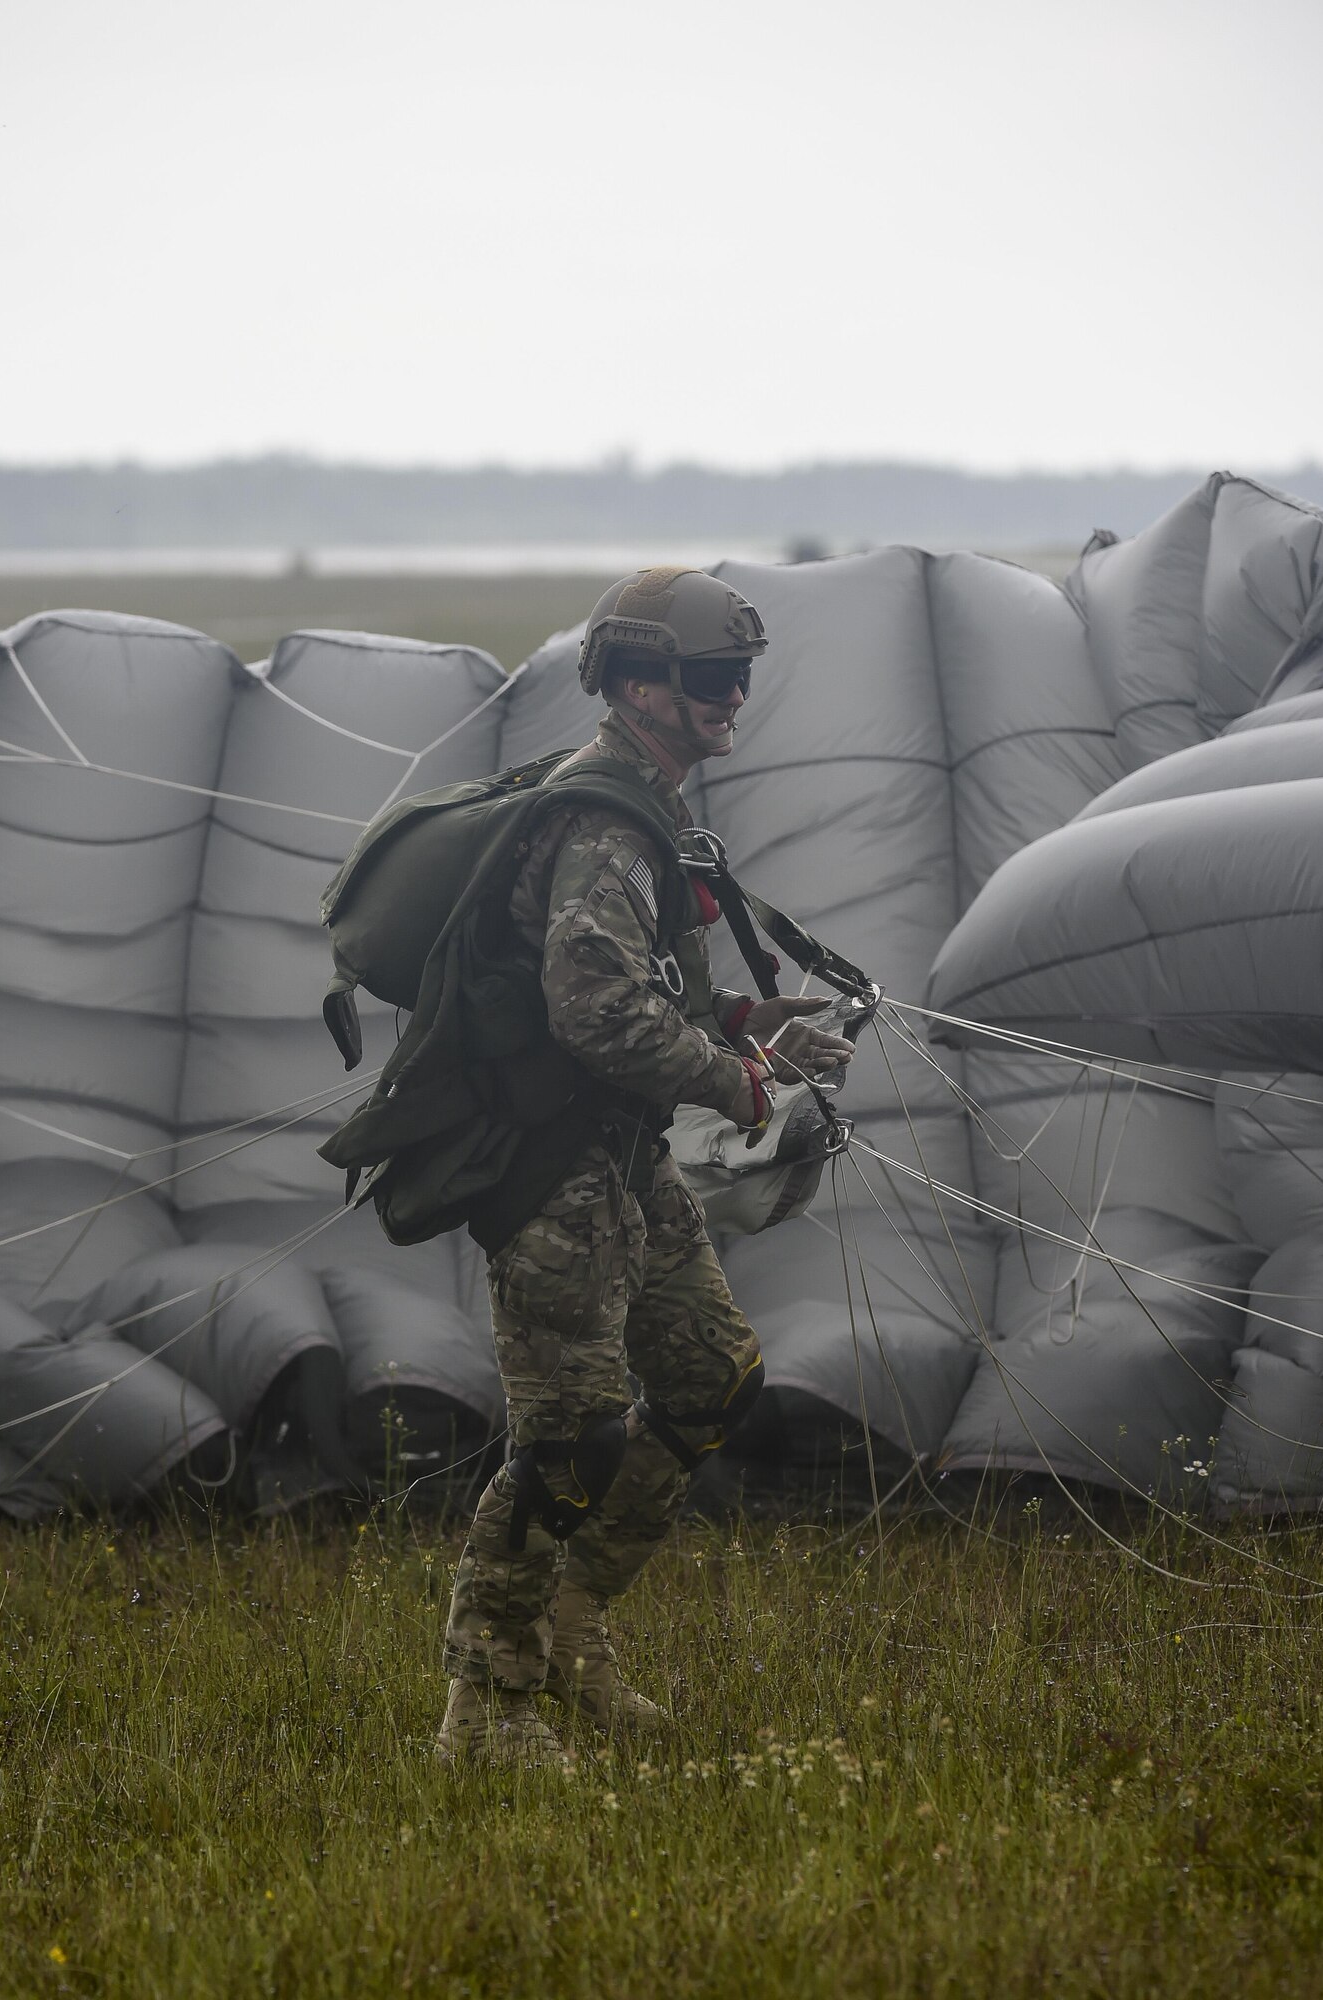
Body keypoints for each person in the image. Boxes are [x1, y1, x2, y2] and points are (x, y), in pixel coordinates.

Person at [437, 565, 855, 1763]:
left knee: (709, 1374)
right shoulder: (605, 821)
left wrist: (743, 1023)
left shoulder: (654, 810)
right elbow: (591, 1009)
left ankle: (572, 1629)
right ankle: (488, 1708)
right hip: (549, 1168)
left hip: (618, 1157)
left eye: (740, 677)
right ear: (636, 683)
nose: (734, 699)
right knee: (565, 1434)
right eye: (715, 678)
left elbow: (643, 987)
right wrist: (740, 1086)